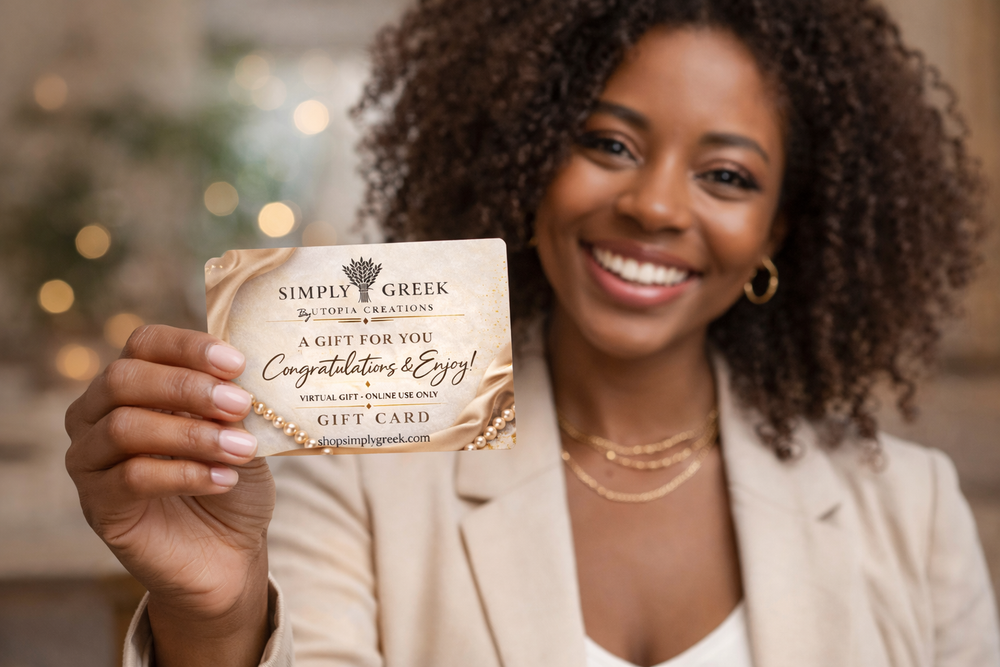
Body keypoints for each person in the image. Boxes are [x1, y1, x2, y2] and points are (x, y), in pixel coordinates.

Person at [65, 0, 1000, 665]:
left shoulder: (912, 512)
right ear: (525, 155)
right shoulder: (351, 475)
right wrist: (220, 624)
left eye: (727, 176)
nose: (655, 205)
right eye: (610, 144)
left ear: (778, 232)